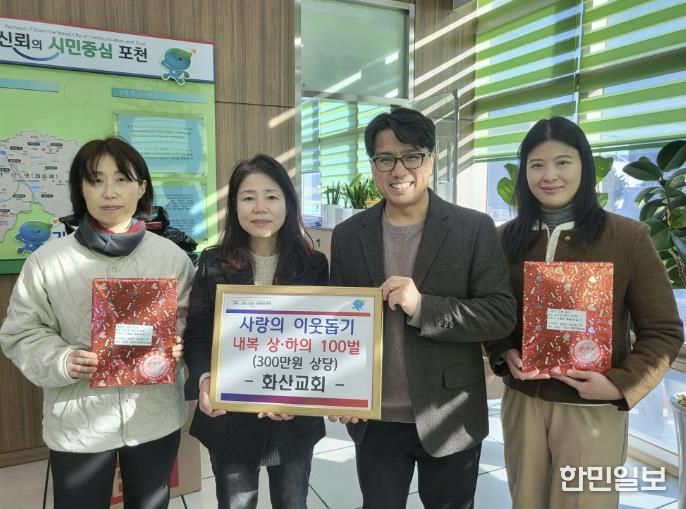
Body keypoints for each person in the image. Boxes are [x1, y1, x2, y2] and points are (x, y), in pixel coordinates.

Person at [484, 117, 684, 509]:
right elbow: (493, 312)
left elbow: (663, 331)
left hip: (592, 407)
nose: (549, 175)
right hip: (524, 401)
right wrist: (504, 350)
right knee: (526, 500)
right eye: (537, 164)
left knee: (585, 501)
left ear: (584, 166)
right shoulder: (503, 239)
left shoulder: (627, 238)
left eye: (563, 162)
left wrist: (620, 384)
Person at [328, 107, 517, 509]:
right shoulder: (348, 235)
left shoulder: (473, 228)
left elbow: (500, 314)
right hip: (375, 418)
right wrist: (339, 393)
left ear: (431, 159)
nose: (399, 170)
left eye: (411, 156)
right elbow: (338, 322)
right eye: (385, 159)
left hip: (450, 412)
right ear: (373, 166)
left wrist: (423, 307)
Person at [0, 137, 195, 509]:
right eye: (96, 180)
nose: (109, 192)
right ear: (81, 188)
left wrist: (178, 343)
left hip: (153, 415)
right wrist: (62, 359)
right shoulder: (47, 261)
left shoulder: (172, 258)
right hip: (78, 421)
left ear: (141, 188)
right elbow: (20, 332)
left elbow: (191, 323)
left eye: (122, 179)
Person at [183, 154, 328, 509]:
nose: (260, 208)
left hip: (293, 419)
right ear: (234, 205)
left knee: (292, 502)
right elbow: (198, 335)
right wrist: (204, 379)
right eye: (248, 197)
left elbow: (321, 341)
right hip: (230, 418)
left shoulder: (314, 265)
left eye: (271, 196)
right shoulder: (213, 263)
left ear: (288, 203)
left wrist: (300, 397)